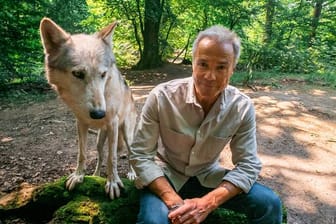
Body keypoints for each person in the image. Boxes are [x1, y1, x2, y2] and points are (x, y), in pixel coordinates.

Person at [130, 25, 282, 224]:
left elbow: (248, 164)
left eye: (221, 67)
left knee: (270, 204)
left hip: (208, 176)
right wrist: (174, 202)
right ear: (193, 63)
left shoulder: (241, 107)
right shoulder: (162, 96)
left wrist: (207, 204)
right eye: (203, 64)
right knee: (153, 221)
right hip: (165, 175)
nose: (210, 76)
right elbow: (140, 154)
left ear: (232, 69)